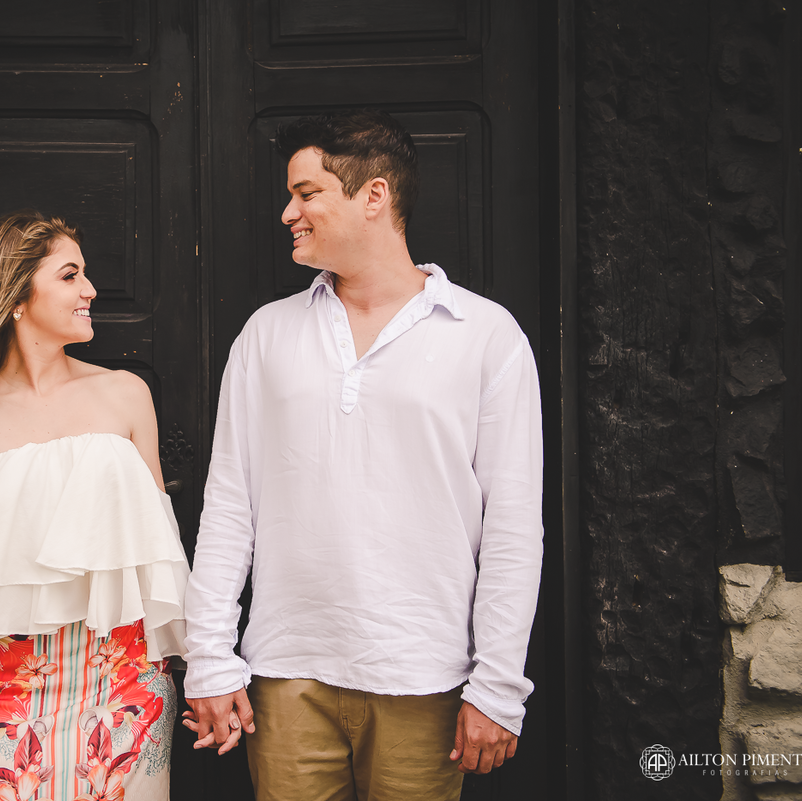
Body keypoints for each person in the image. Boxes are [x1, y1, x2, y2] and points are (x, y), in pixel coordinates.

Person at [181, 110, 544, 800]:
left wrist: (498, 683)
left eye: (307, 193)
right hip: (285, 673)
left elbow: (513, 526)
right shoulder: (266, 334)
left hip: (426, 677)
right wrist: (209, 657)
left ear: (374, 195)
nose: (288, 212)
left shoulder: (486, 335)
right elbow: (229, 506)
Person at [0, 211, 190, 801]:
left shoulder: (127, 394)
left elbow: (165, 556)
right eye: (70, 275)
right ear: (15, 296)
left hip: (126, 684)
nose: (91, 290)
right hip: (1, 697)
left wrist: (203, 669)